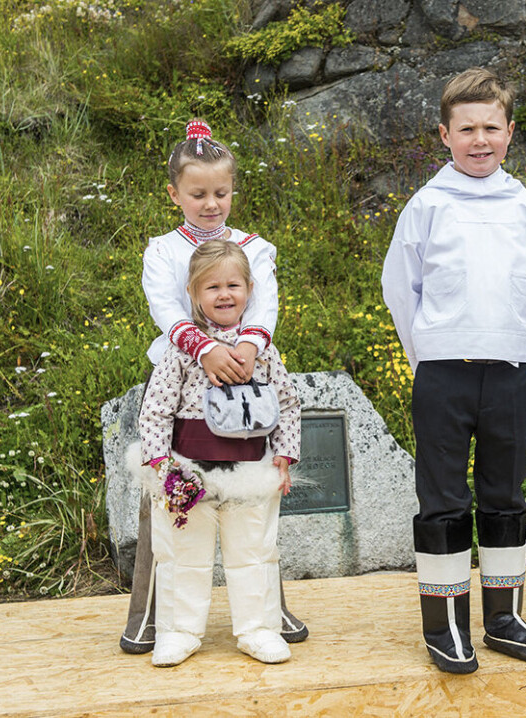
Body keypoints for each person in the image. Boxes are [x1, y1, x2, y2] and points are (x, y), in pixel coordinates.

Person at [382, 67, 526, 674]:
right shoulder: (428, 205)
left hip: (509, 370)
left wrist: (511, 338)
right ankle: (447, 624)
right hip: (442, 372)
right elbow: (401, 288)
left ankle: (504, 619)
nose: (479, 140)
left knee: (504, 494)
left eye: (491, 127)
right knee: (443, 498)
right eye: (466, 129)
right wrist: (428, 352)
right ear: (444, 134)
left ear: (510, 132)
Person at [120, 119, 307, 655]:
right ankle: (158, 620)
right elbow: (164, 306)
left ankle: (265, 618)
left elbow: (265, 302)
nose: (210, 204)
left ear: (232, 192)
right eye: (198, 194)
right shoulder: (161, 249)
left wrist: (248, 347)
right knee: (175, 522)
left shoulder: (255, 247)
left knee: (253, 529)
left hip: (249, 366)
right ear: (175, 193)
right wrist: (203, 348)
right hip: (182, 375)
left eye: (220, 193)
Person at [135, 239, 300, 667]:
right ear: (193, 294)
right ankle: (179, 631)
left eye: (233, 285)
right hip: (188, 471)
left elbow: (287, 402)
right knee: (182, 553)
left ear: (249, 289)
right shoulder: (181, 352)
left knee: (254, 552)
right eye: (212, 287)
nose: (224, 294)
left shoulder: (261, 351)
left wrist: (283, 455)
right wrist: (162, 467)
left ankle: (258, 629)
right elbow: (155, 410)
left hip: (250, 468)